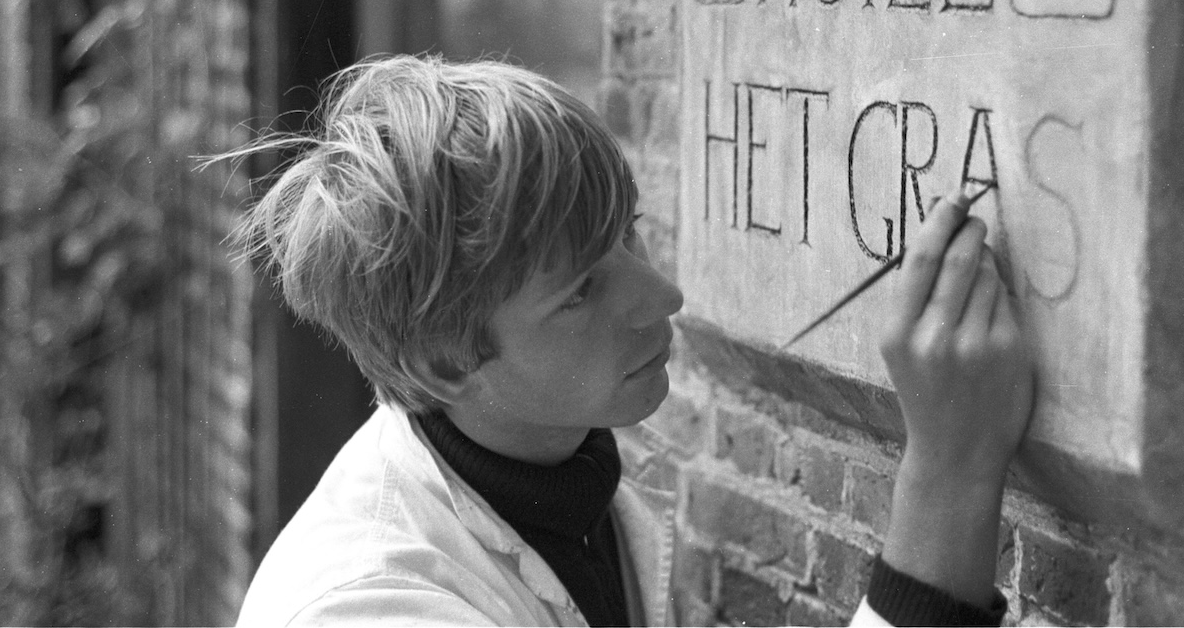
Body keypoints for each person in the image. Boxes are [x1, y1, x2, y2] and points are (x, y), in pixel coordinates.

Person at [232, 55, 1033, 627]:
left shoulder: (563, 476)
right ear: (445, 361)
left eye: (628, 234)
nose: (663, 297)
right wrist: (948, 468)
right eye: (580, 291)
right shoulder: (367, 606)